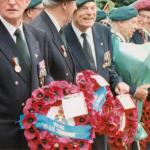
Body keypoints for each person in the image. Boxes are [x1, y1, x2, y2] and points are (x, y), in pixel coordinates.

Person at [64, 0, 133, 149]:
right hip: (77, 117)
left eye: (93, 8)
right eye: (84, 9)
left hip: (102, 113)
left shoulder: (103, 31)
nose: (90, 13)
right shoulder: (62, 34)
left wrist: (117, 82)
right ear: (73, 10)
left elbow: (108, 67)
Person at [0, 0, 53, 149]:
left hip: (36, 136)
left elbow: (44, 74)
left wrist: (61, 94)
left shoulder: (39, 36)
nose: (12, 2)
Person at [108, 6, 150, 150]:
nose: (136, 27)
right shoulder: (113, 41)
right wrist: (134, 89)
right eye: (133, 22)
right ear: (120, 22)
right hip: (117, 108)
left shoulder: (121, 42)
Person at [31, 0, 77, 83]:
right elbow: (42, 77)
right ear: (64, 4)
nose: (75, 7)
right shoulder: (39, 31)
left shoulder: (57, 27)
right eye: (74, 3)